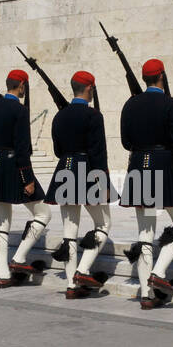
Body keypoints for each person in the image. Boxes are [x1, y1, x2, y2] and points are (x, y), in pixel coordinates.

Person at [118, 58, 173, 310]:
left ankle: (146, 294)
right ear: (162, 76)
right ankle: (159, 271)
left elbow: (125, 141)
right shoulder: (171, 104)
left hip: (138, 166)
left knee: (145, 233)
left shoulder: (130, 105)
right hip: (164, 165)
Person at [0, 69, 50, 287]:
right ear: (22, 86)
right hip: (14, 165)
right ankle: (19, 257)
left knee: (2, 222)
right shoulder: (19, 110)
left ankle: (3, 274)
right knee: (43, 213)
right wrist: (27, 178)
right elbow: (22, 146)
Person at [44, 71, 113, 300]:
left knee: (69, 233)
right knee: (103, 223)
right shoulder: (94, 116)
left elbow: (56, 151)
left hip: (64, 168)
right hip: (86, 168)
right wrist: (101, 179)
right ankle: (82, 271)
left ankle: (72, 287)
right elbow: (98, 151)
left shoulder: (59, 116)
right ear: (89, 89)